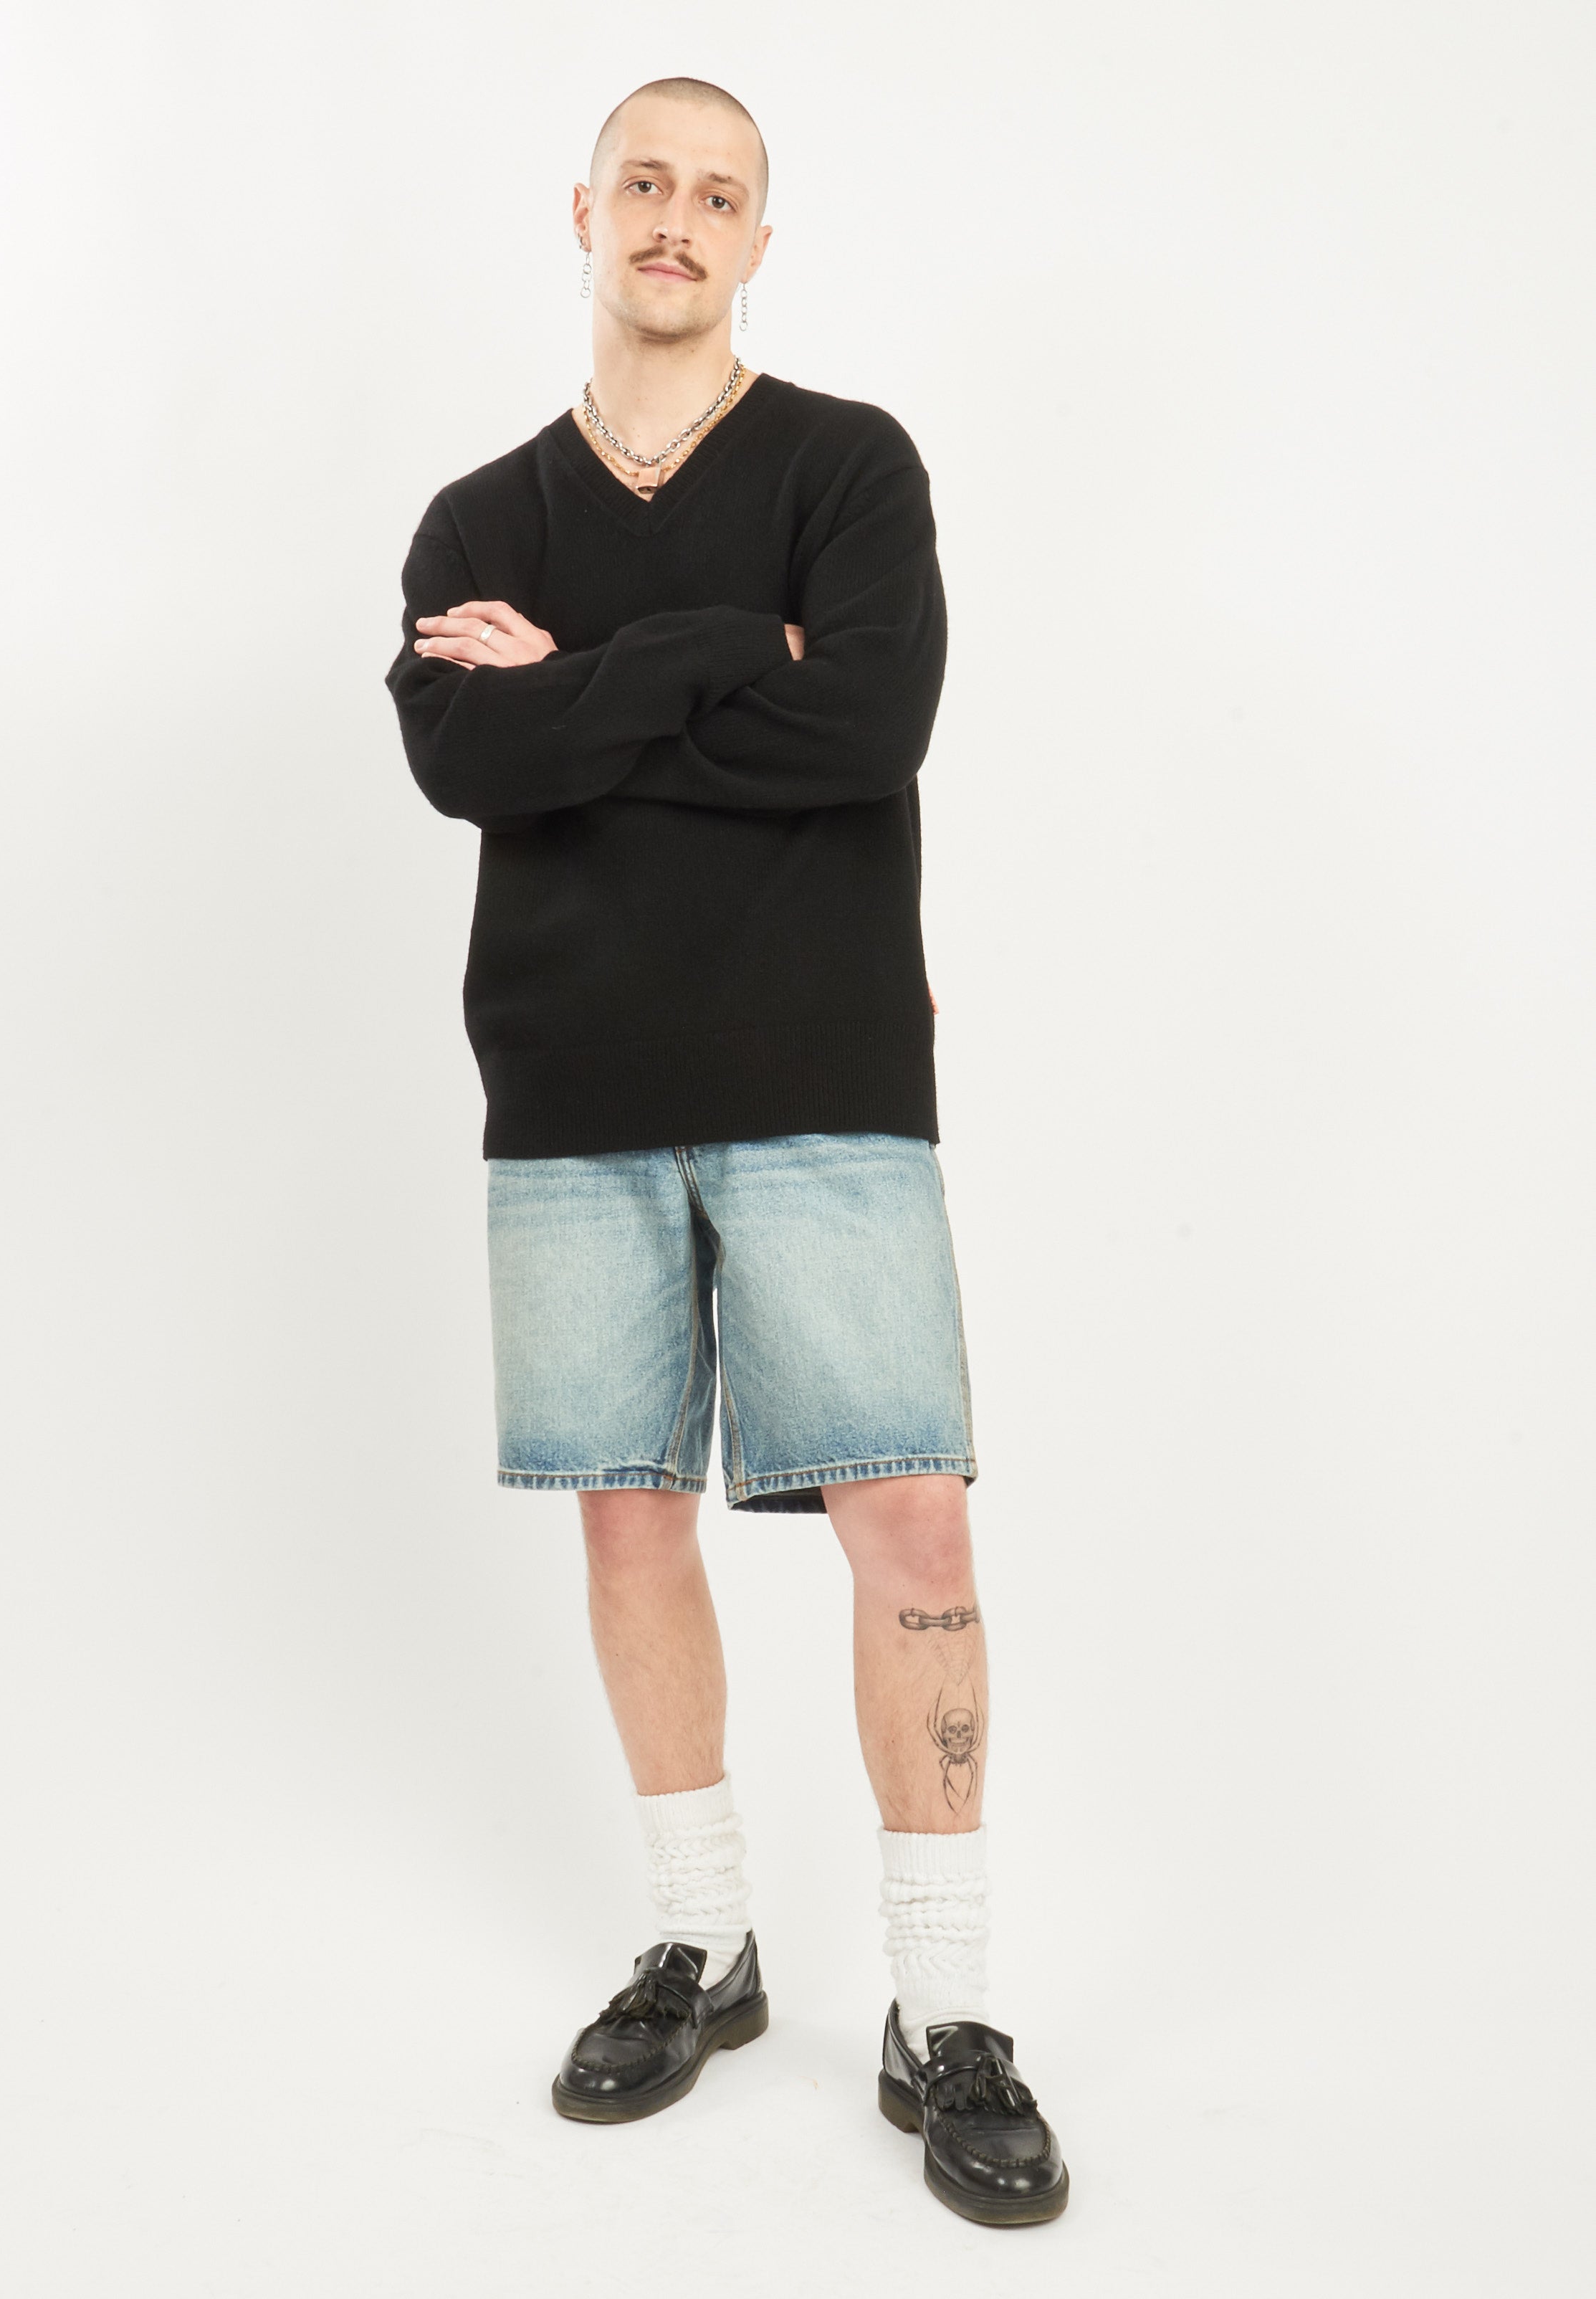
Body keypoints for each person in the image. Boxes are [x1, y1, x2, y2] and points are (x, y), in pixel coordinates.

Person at [383, 76, 1069, 2227]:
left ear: (763, 238)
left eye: (720, 193)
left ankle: (946, 2009)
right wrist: (714, 666)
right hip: (570, 1087)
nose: (676, 219)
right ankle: (703, 1941)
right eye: (646, 185)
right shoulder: (476, 521)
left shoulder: (848, 467)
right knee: (625, 1524)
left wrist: (586, 692)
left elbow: (867, 724)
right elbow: (464, 760)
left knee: (915, 1526)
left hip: (826, 1078)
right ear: (583, 211)